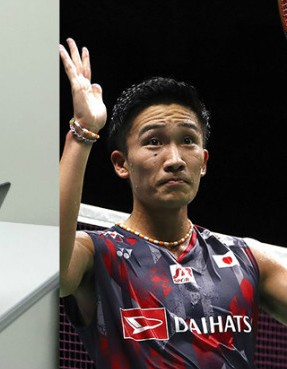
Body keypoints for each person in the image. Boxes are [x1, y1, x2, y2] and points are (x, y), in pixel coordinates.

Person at [59, 38, 287, 368]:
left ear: (204, 161)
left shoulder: (245, 260)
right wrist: (83, 133)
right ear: (122, 163)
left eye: (188, 141)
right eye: (154, 142)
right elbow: (56, 272)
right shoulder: (99, 255)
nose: (175, 159)